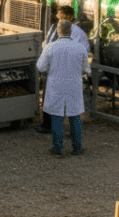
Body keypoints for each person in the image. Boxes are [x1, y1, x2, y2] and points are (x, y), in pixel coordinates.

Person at [37, 20, 91, 157]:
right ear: (71, 31)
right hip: (74, 86)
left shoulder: (50, 47)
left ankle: (57, 149)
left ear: (58, 31)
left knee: (56, 117)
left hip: (56, 86)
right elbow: (86, 68)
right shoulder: (80, 48)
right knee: (75, 116)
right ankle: (77, 147)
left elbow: (40, 67)